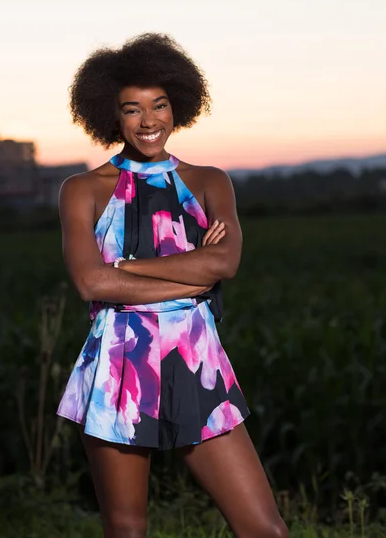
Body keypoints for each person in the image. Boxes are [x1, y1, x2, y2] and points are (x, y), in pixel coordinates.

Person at [57, 33, 288, 538]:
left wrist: (130, 268)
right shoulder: (81, 190)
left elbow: (224, 263)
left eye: (159, 105)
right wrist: (190, 277)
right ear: (111, 116)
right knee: (127, 530)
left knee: (265, 529)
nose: (148, 121)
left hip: (197, 364)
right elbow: (89, 280)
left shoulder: (209, 181)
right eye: (132, 109)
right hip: (118, 370)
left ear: (177, 105)